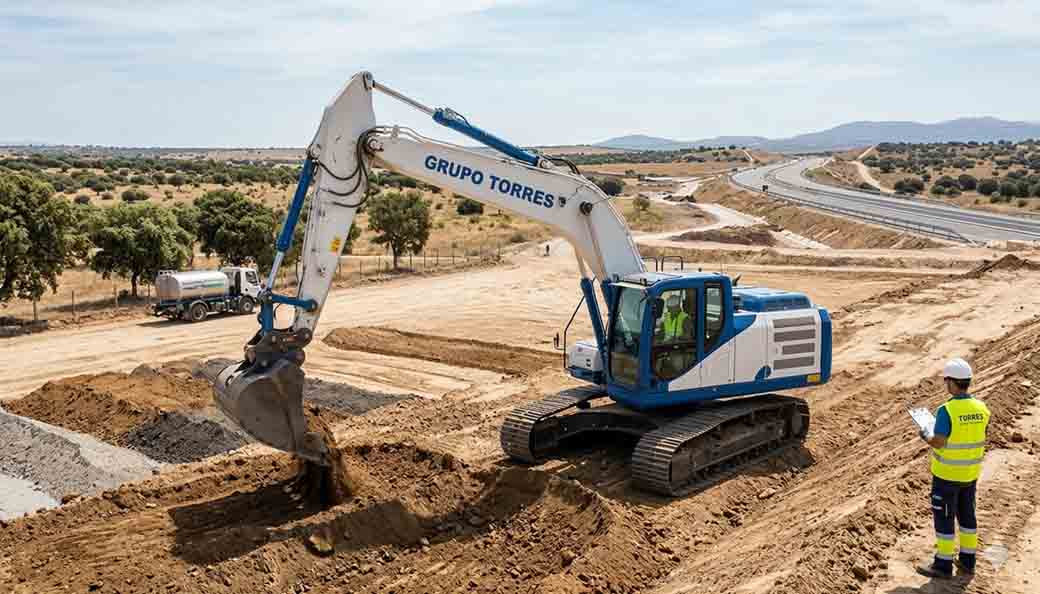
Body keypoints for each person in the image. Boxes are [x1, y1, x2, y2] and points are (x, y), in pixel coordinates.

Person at [916, 358, 990, 579]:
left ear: (951, 382)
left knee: (945, 519)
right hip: (970, 473)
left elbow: (939, 441)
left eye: (946, 380)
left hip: (947, 476)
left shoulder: (946, 410)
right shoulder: (981, 408)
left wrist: (926, 435)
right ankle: (968, 560)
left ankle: (943, 564)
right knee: (968, 517)